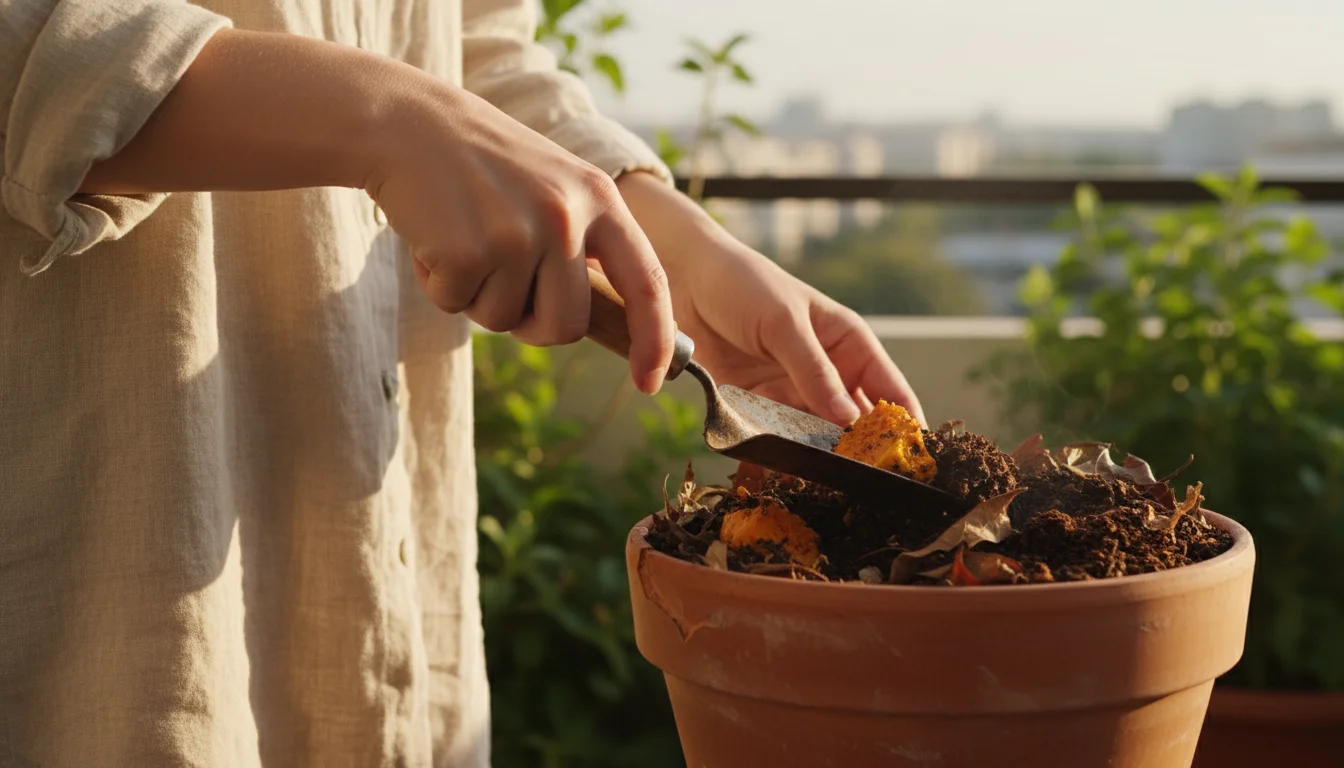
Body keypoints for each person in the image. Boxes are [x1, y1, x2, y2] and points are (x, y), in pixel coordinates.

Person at [0, 1, 923, 766]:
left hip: (397, 615)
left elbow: (470, 41)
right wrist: (380, 119)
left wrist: (674, 249)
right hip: (110, 592)